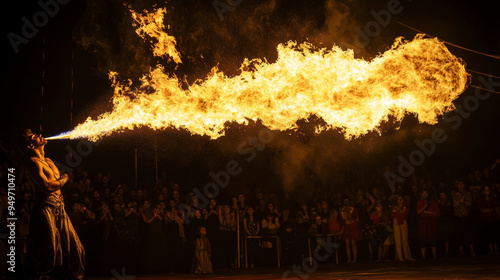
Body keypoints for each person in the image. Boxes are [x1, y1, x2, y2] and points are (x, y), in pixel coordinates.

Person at [22, 129, 85, 280]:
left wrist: (61, 180)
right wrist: (64, 179)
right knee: (49, 248)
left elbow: (54, 183)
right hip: (45, 208)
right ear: (31, 146)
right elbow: (49, 186)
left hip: (59, 207)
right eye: (34, 136)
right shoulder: (33, 163)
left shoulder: (48, 161)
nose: (38, 135)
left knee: (74, 246)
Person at [416, 189, 440, 259]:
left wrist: (428, 213)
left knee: (433, 239)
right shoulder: (419, 202)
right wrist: (425, 206)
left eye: (425, 193)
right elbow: (418, 213)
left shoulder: (433, 202)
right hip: (423, 223)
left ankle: (434, 256)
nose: (424, 194)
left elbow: (438, 213)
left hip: (431, 222)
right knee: (423, 239)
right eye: (423, 193)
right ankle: (423, 256)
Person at [391, 195, 413, 261]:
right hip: (396, 222)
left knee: (404, 239)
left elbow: (404, 215)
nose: (400, 200)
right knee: (398, 239)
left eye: (401, 199)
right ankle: (400, 257)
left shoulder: (405, 208)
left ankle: (406, 256)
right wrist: (397, 209)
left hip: (403, 222)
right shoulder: (394, 207)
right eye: (398, 199)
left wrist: (400, 210)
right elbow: (392, 216)